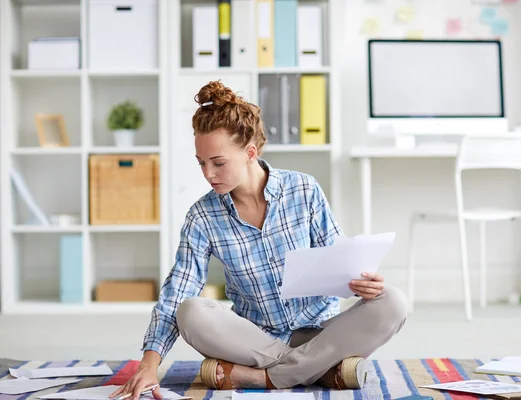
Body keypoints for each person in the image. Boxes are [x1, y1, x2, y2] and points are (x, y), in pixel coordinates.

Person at [110, 81, 408, 400]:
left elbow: (342, 261)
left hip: (322, 331)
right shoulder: (202, 216)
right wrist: (149, 365)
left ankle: (262, 378)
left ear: (250, 153)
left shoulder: (304, 190)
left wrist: (363, 282)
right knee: (190, 311)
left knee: (393, 302)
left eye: (219, 162)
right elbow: (178, 290)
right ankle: (321, 371)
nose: (208, 174)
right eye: (202, 162)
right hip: (254, 342)